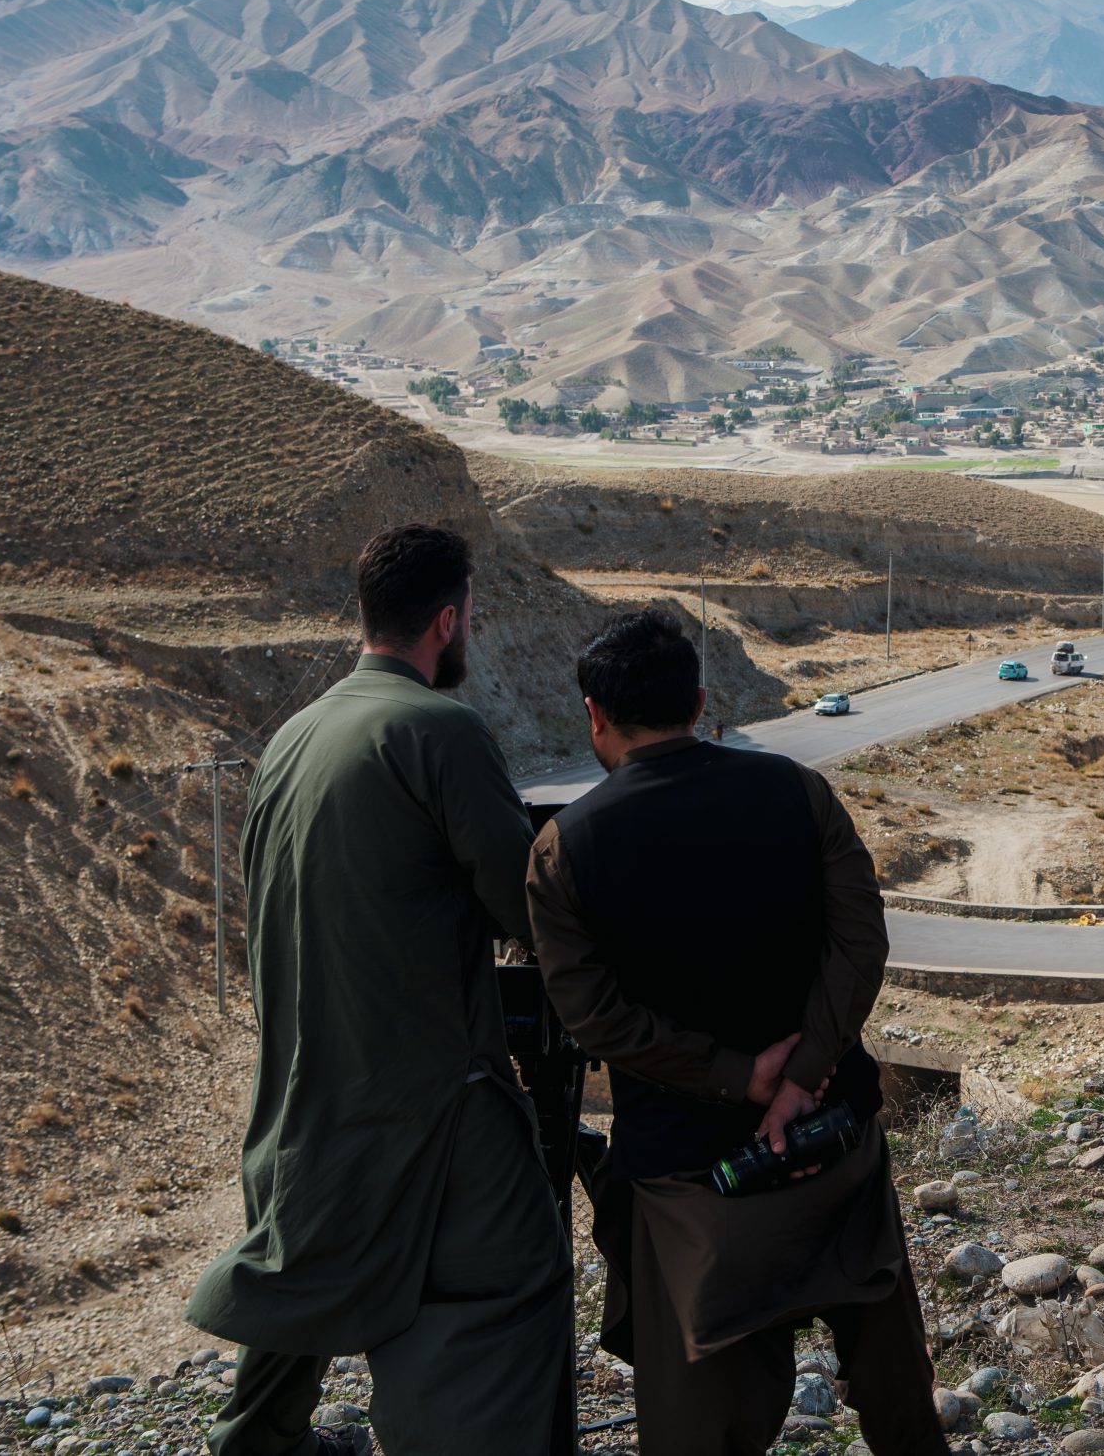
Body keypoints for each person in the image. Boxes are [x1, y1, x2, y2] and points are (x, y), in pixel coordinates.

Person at [187, 523, 570, 1456]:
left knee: (311, 1276)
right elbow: (531, 910)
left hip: (300, 1104)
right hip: (431, 1103)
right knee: (508, 1289)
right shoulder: (440, 729)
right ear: (449, 620)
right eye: (470, 616)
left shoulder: (290, 738)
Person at [526, 609, 944, 1456]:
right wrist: (803, 1075)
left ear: (595, 715)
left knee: (697, 1430)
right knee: (900, 1402)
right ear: (701, 700)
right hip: (837, 1152)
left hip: (690, 1191)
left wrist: (737, 1076)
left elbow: (595, 1016)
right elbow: (860, 940)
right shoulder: (796, 790)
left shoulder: (565, 848)